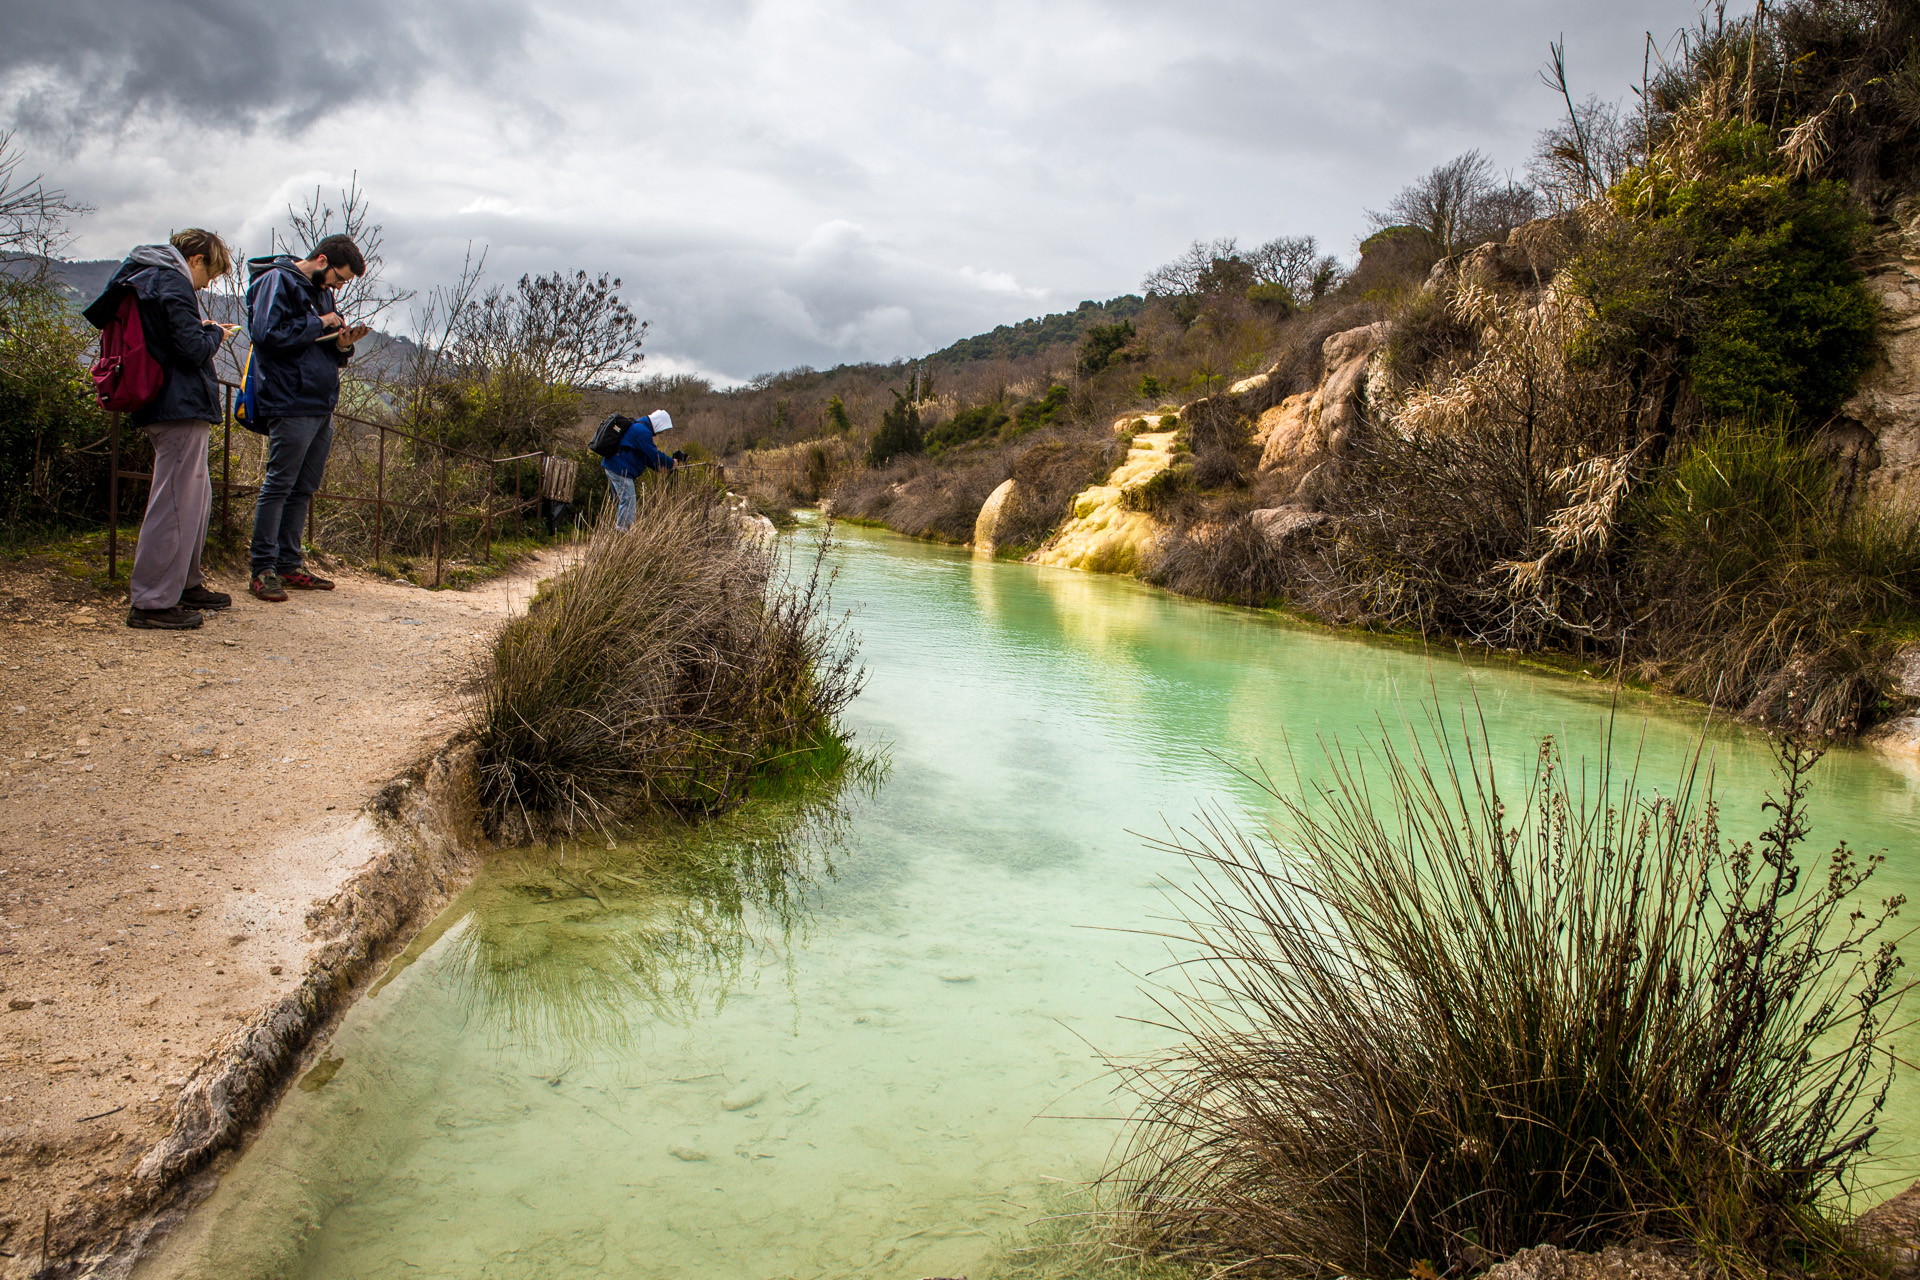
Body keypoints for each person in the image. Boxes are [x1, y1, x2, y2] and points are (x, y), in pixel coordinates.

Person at [83, 229, 241, 630]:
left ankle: (184, 584)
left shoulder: (146, 276)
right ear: (196, 259)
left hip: (166, 401)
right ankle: (153, 601)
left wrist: (199, 330)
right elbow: (191, 349)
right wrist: (214, 334)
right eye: (212, 273)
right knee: (174, 502)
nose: (208, 283)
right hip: (176, 403)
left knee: (194, 499)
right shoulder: (171, 279)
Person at [243, 234, 369, 602]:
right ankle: (262, 569)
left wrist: (343, 343)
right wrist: (321, 322)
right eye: (338, 278)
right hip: (288, 399)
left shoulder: (323, 292)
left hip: (320, 402)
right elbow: (266, 334)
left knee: (304, 488)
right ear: (321, 260)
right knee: (279, 485)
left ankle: (289, 564)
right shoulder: (275, 280)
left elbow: (321, 345)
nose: (338, 286)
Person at [602, 409, 676, 530]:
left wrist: (660, 468)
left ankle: (617, 533)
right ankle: (622, 534)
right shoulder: (642, 431)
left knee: (621, 503)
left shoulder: (639, 427)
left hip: (614, 466)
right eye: (662, 430)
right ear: (659, 424)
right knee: (628, 503)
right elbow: (654, 454)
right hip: (620, 470)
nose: (661, 433)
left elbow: (645, 456)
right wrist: (672, 463)